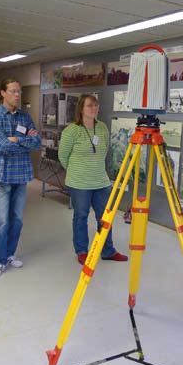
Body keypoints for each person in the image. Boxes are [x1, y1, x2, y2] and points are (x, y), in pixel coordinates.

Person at [58, 94, 128, 265]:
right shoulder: (72, 130)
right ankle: (82, 251)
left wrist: (95, 169)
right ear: (81, 109)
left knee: (105, 217)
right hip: (79, 183)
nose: (94, 108)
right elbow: (63, 156)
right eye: (90, 105)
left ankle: (107, 250)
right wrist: (76, 171)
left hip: (101, 182)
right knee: (81, 216)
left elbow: (104, 152)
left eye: (96, 105)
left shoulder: (102, 128)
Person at [0, 78, 40, 279]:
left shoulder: (25, 118)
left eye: (19, 91)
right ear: (2, 93)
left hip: (22, 175)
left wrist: (17, 139)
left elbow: (36, 143)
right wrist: (24, 142)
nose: (17, 95)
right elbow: (0, 146)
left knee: (16, 219)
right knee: (2, 221)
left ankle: (9, 254)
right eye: (13, 91)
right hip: (3, 175)